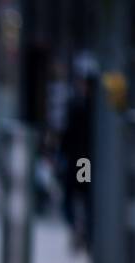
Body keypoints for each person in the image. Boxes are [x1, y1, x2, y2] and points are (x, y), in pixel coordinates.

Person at [59, 75, 94, 253]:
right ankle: (81, 230)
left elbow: (67, 135)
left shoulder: (81, 107)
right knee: (79, 197)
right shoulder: (89, 108)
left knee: (78, 197)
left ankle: (80, 230)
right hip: (83, 161)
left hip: (81, 161)